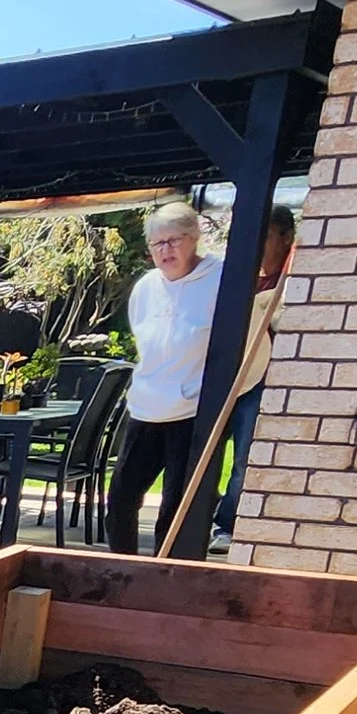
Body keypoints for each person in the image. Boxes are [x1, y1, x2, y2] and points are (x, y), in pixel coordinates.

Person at [104, 202, 218, 554]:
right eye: (158, 244)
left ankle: (167, 576)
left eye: (174, 240)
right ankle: (121, 570)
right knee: (121, 498)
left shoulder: (221, 280)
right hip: (147, 408)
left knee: (176, 509)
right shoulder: (145, 288)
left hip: (193, 410)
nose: (166, 250)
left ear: (194, 238)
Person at [210, 204, 299, 554]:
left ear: (287, 238)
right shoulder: (239, 278)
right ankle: (199, 515)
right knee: (208, 449)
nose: (257, 245)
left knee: (245, 455)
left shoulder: (293, 283)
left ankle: (228, 524)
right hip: (227, 376)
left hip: (261, 379)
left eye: (266, 237)